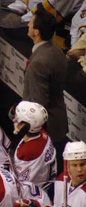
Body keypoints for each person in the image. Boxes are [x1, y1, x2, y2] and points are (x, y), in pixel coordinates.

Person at [23, 11, 68, 165]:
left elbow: (38, 104)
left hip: (46, 132)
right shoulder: (57, 51)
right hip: (59, 125)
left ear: (36, 32)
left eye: (31, 22)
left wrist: (32, 132)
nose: (28, 24)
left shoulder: (39, 63)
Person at [10, 101, 57, 186]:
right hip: (48, 181)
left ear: (24, 125)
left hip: (36, 191)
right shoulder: (42, 133)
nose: (14, 121)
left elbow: (20, 184)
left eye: (17, 118)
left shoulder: (27, 153)